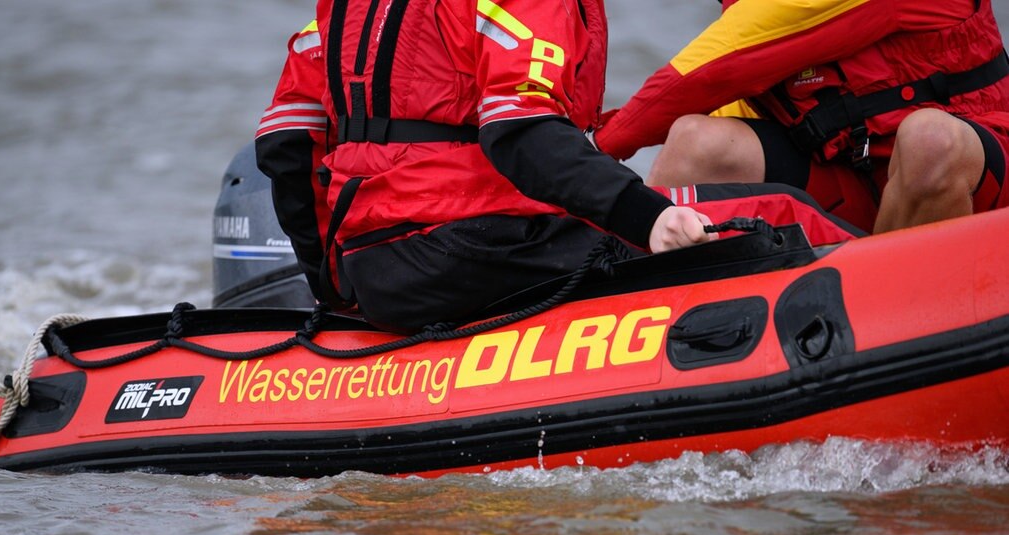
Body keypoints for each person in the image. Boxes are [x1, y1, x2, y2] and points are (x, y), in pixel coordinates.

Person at [253, 1, 848, 332]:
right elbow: (522, 134)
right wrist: (647, 218)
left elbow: (287, 146)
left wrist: (334, 286)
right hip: (484, 243)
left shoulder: (344, 12)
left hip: (377, 270)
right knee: (780, 213)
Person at [594, 0, 1009, 234]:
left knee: (930, 139)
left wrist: (587, 154)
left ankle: (885, 324)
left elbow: (715, 70)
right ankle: (645, 314)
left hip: (974, 182)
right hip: (853, 175)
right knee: (694, 143)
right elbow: (734, 106)